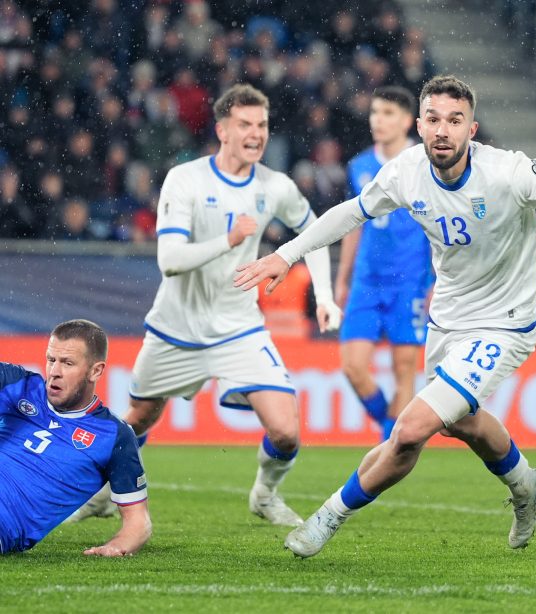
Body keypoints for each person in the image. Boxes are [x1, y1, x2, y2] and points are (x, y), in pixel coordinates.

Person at [235, 75, 536, 557]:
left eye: (455, 121)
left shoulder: (508, 172)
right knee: (462, 423)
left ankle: (327, 517)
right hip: (447, 321)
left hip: (504, 321)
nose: (443, 131)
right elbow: (350, 213)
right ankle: (527, 485)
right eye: (433, 119)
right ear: (420, 125)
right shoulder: (404, 170)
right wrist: (285, 255)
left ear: (472, 129)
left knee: (410, 430)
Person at [70, 84, 341, 527]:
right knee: (140, 415)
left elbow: (316, 233)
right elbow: (170, 260)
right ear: (222, 129)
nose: (255, 134)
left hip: (239, 327)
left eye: (262, 126)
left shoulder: (276, 186)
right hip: (177, 326)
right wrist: (229, 241)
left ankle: (265, 495)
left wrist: (325, 297)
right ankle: (104, 491)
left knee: (286, 430)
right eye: (245, 125)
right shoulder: (188, 179)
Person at [0, 319, 150, 556]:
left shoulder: (113, 436)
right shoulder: (19, 384)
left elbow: (138, 523)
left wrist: (116, 546)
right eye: (51, 360)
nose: (55, 372)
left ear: (95, 371)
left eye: (67, 363)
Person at [334, 86, 433, 440]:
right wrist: (342, 279)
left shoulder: (425, 164)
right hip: (366, 282)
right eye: (375, 112)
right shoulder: (360, 166)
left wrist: (437, 280)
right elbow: (352, 224)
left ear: (408, 121)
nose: (378, 119)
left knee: (403, 371)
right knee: (353, 368)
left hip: (410, 282)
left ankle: (391, 448)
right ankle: (391, 430)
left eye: (388, 113)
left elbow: (439, 226)